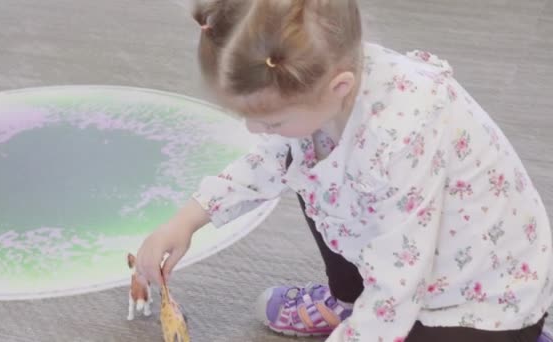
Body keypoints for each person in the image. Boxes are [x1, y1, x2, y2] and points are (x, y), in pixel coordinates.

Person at [136, 1, 553, 340]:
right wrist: (187, 219)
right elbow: (271, 158)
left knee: (323, 176)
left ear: (338, 88)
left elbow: (397, 288)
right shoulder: (322, 82)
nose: (254, 131)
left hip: (483, 302)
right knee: (308, 168)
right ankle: (351, 302)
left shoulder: (402, 135)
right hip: (406, 255)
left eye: (271, 121)